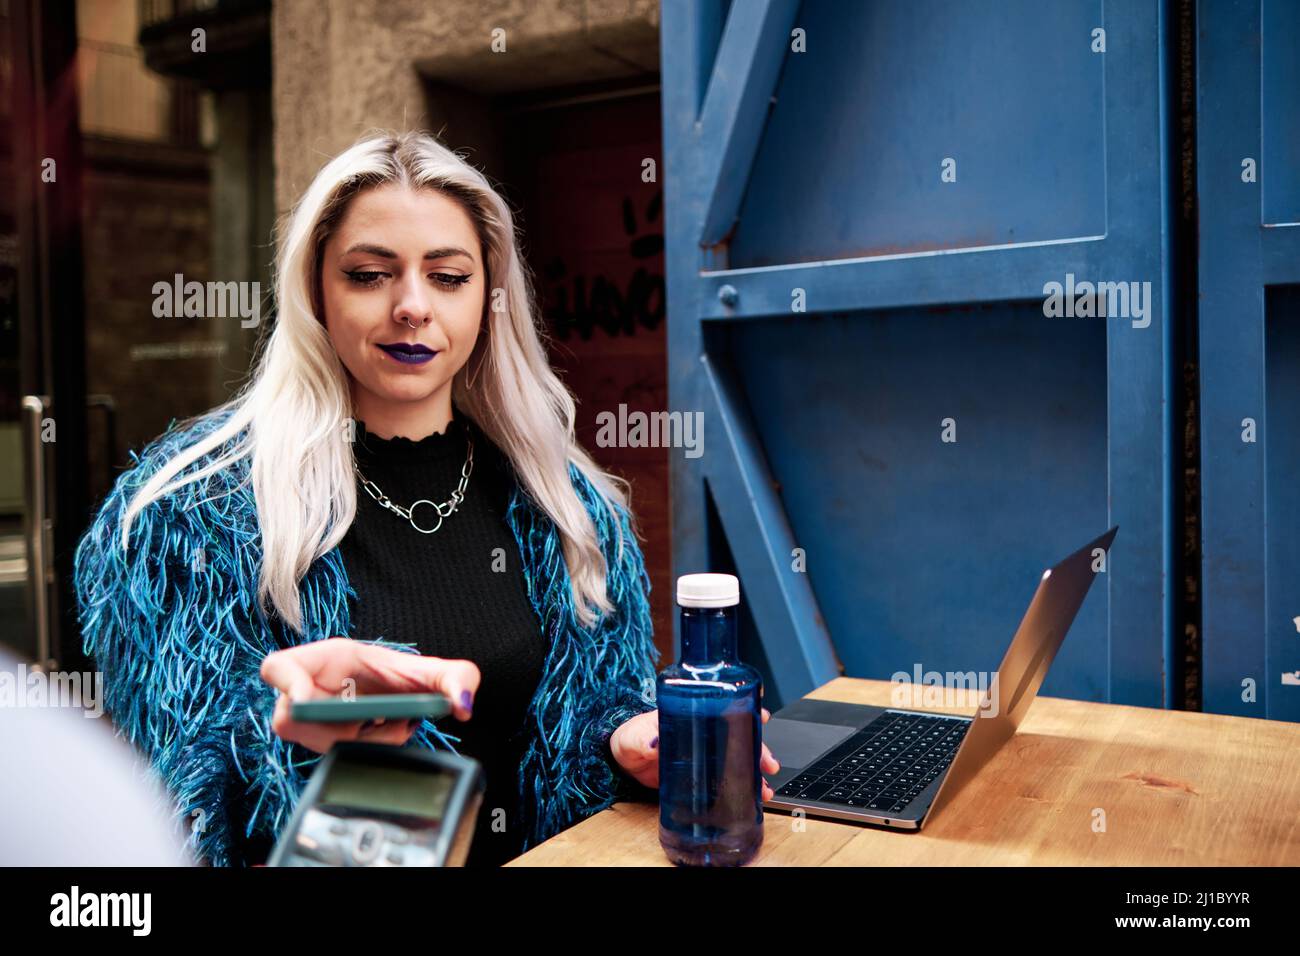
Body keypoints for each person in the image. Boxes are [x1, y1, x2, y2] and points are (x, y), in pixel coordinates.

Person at [73, 130, 779, 867]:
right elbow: (183, 792)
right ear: (315, 288)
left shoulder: (566, 503)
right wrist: (281, 727)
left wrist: (626, 738)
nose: (412, 306)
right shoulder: (188, 513)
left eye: (447, 277)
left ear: (488, 298)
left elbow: (596, 703)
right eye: (371, 274)